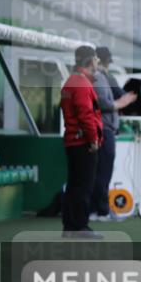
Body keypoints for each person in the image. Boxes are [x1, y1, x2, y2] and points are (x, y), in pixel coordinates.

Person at [60, 45, 103, 238]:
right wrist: (93, 139)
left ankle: (70, 227)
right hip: (83, 143)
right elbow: (86, 115)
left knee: (74, 186)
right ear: (90, 61)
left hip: (73, 141)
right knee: (83, 187)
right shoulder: (82, 83)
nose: (97, 62)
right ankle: (80, 227)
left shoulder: (71, 81)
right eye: (96, 59)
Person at [90, 46, 137, 220]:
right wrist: (122, 102)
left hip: (103, 128)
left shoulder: (102, 77)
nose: (108, 65)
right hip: (103, 128)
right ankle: (101, 211)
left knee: (100, 171)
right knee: (103, 171)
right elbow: (104, 102)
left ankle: (96, 210)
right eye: (106, 62)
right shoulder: (99, 77)